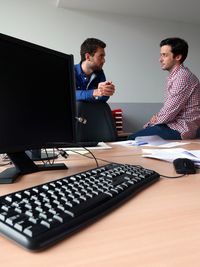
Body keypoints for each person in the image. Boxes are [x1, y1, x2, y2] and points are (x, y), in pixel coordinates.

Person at [128, 37, 200, 140]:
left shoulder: (182, 78)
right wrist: (157, 117)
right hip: (174, 125)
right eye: (161, 55)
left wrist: (151, 123)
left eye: (164, 55)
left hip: (181, 128)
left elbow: (169, 112)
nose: (160, 59)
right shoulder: (176, 76)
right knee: (136, 137)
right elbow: (170, 109)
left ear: (178, 57)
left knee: (132, 139)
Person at [74, 38, 115, 102]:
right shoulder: (70, 71)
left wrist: (106, 91)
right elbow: (70, 94)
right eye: (101, 56)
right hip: (74, 111)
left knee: (105, 107)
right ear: (88, 57)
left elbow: (103, 99)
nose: (104, 61)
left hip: (90, 110)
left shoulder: (99, 72)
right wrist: (94, 92)